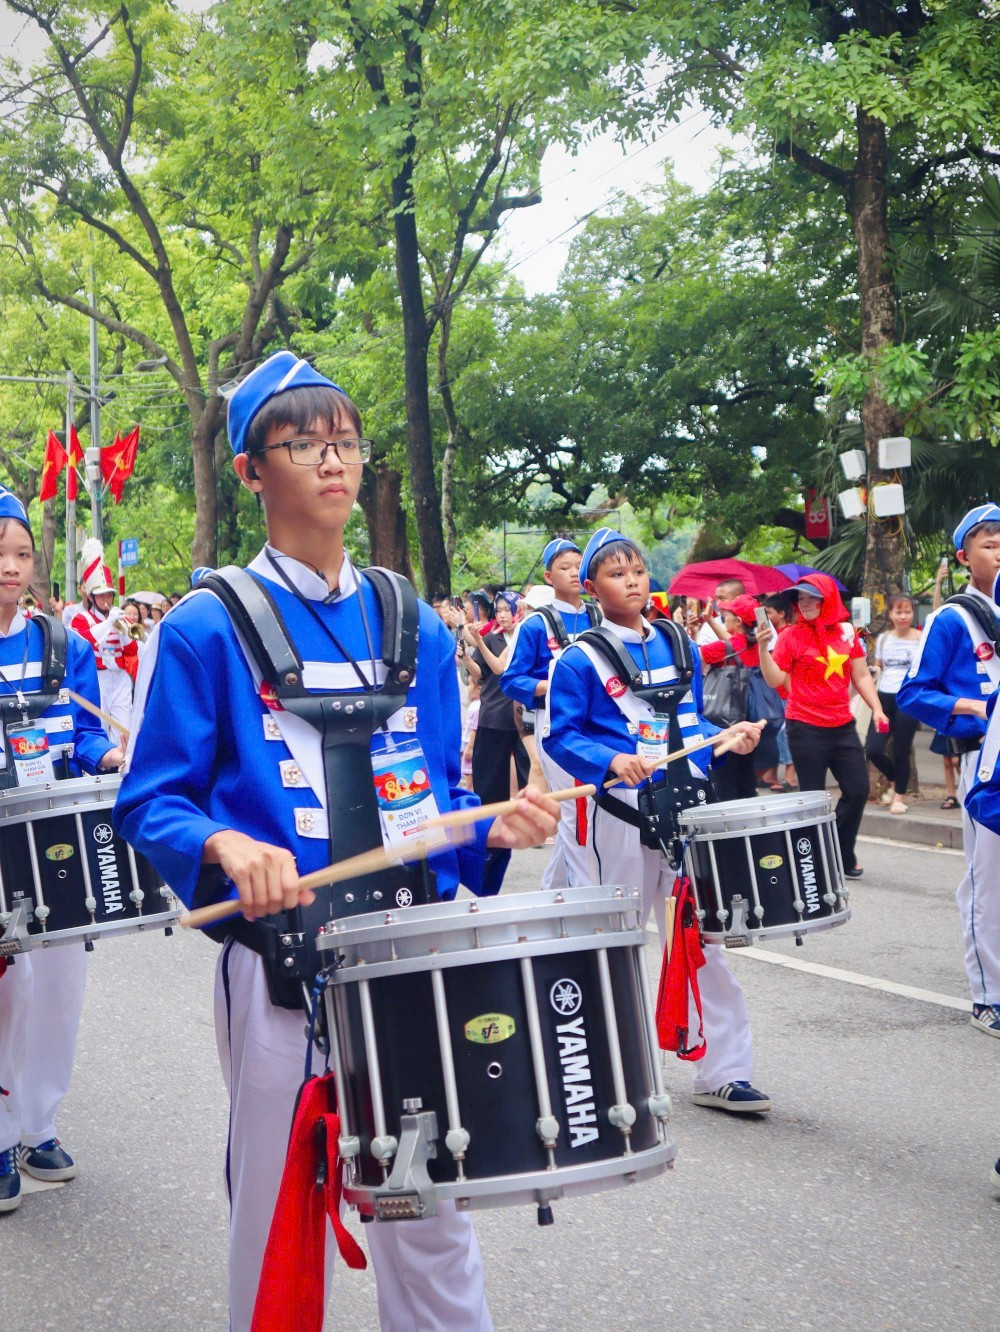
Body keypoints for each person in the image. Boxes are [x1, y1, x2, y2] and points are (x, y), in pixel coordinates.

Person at [113, 352, 557, 1329]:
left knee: (431, 1209)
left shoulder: (414, 624)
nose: (331, 461)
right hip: (284, 965)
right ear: (249, 470)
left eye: (346, 442)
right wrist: (226, 847)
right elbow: (151, 801)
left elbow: (437, 793)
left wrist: (492, 826)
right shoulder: (204, 627)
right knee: (278, 1217)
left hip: (413, 956)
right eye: (303, 443)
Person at [546, 528, 772, 1114]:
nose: (632, 582)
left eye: (638, 571)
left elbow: (690, 721)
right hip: (617, 816)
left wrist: (726, 739)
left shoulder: (679, 642)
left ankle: (723, 1071)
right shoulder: (577, 658)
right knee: (615, 943)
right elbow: (561, 736)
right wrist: (610, 760)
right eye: (616, 574)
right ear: (592, 587)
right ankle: (614, 1074)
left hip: (685, 810)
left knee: (704, 939)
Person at [0, 488, 124, 1214]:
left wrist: (107, 756)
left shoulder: (61, 644)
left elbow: (85, 734)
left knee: (57, 985)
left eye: (22, 553)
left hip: (52, 835)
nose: (11, 566)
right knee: (5, 989)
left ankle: (38, 1123)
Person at [897, 503, 1000, 1037]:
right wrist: (975, 707)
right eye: (990, 544)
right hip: (987, 757)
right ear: (964, 557)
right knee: (988, 881)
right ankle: (989, 996)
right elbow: (914, 693)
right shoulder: (952, 618)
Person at [757, 574, 887, 879]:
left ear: (826, 600)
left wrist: (878, 709)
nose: (805, 603)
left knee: (858, 790)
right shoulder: (789, 636)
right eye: (800, 598)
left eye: (812, 597)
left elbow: (861, 675)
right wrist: (763, 649)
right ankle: (814, 860)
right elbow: (775, 680)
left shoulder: (846, 632)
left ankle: (839, 852)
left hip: (842, 725)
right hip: (805, 727)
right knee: (813, 799)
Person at [500, 538, 601, 888]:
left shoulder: (599, 616)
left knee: (591, 807)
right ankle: (585, 893)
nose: (574, 573)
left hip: (600, 720)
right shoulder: (535, 625)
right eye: (564, 567)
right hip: (556, 721)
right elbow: (511, 680)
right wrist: (554, 685)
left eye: (578, 566)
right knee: (574, 809)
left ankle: (553, 889)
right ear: (548, 576)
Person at [463, 590, 530, 893]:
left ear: (518, 610)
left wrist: (477, 641)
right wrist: (467, 657)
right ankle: (490, 831)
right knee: (488, 781)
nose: (502, 615)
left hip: (523, 717)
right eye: (499, 610)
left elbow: (501, 667)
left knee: (530, 775)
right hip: (493, 715)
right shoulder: (492, 638)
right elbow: (482, 672)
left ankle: (530, 824)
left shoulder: (526, 636)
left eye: (507, 609)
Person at [865, 594, 922, 814]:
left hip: (908, 699)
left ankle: (899, 797)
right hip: (884, 699)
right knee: (873, 749)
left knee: (901, 750)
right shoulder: (884, 638)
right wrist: (872, 671)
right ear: (890, 614)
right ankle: (895, 779)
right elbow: (879, 666)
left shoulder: (921, 638)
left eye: (907, 611)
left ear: (913, 613)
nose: (903, 616)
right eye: (898, 612)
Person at [71, 539, 133, 740]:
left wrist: (125, 629)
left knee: (124, 728)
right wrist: (108, 623)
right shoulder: (81, 618)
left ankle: (124, 758)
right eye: (101, 596)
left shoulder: (117, 617)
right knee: (100, 725)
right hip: (98, 678)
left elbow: (131, 649)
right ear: (91, 597)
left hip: (120, 677)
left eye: (109, 595)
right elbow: (86, 642)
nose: (106, 600)